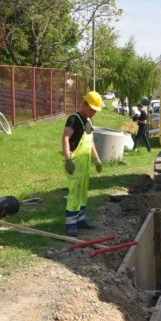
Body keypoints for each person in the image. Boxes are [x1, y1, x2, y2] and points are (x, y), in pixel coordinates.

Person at [63, 91, 104, 237]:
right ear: (84, 104)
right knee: (74, 193)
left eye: (95, 110)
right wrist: (68, 160)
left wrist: (96, 159)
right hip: (74, 164)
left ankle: (81, 220)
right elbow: (66, 138)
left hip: (85, 164)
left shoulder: (88, 121)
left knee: (83, 192)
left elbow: (90, 141)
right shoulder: (73, 119)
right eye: (91, 109)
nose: (93, 112)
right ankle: (71, 224)